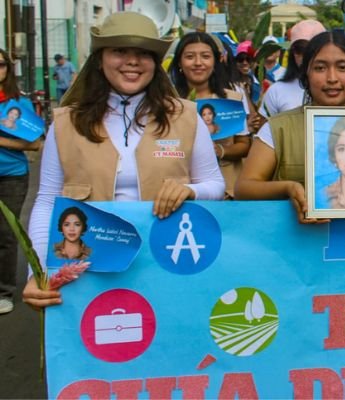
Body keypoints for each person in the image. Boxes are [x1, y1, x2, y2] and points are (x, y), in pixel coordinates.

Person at [23, 12, 225, 310]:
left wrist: (191, 191)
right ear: (100, 57)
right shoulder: (66, 123)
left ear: (155, 63)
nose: (132, 61)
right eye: (119, 50)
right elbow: (46, 201)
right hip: (87, 273)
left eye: (143, 53)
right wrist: (37, 272)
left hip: (166, 263)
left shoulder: (186, 116)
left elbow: (216, 185)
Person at [236, 30, 345, 223]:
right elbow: (243, 188)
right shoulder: (279, 128)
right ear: (306, 74)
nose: (332, 78)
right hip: (297, 247)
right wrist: (288, 188)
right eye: (320, 68)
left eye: (342, 67)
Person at [169, 32, 252, 199]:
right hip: (178, 192)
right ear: (179, 62)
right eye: (190, 57)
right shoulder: (168, 102)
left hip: (226, 194)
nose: (198, 63)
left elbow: (244, 145)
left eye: (205, 56)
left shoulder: (232, 100)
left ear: (216, 61)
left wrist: (220, 150)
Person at [0, 48, 42, 315]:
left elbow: (35, 144)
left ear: (7, 69)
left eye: (0, 64)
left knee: (5, 233)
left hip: (11, 176)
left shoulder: (18, 105)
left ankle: (4, 291)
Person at [259, 20, 327, 118]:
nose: (306, 56)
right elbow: (265, 129)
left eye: (312, 50)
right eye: (300, 49)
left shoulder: (339, 90)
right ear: (292, 53)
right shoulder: (276, 91)